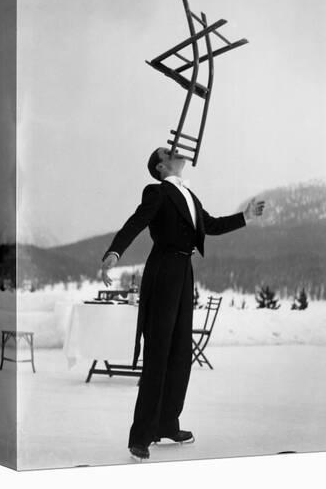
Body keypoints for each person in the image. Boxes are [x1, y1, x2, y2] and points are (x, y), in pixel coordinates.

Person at [101, 147, 265, 461]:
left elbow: (212, 226)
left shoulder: (189, 195)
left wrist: (246, 216)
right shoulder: (158, 192)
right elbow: (136, 222)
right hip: (163, 270)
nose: (177, 150)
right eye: (169, 151)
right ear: (161, 166)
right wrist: (114, 252)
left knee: (179, 353)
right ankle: (141, 436)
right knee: (158, 352)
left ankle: (167, 424)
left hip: (183, 272)